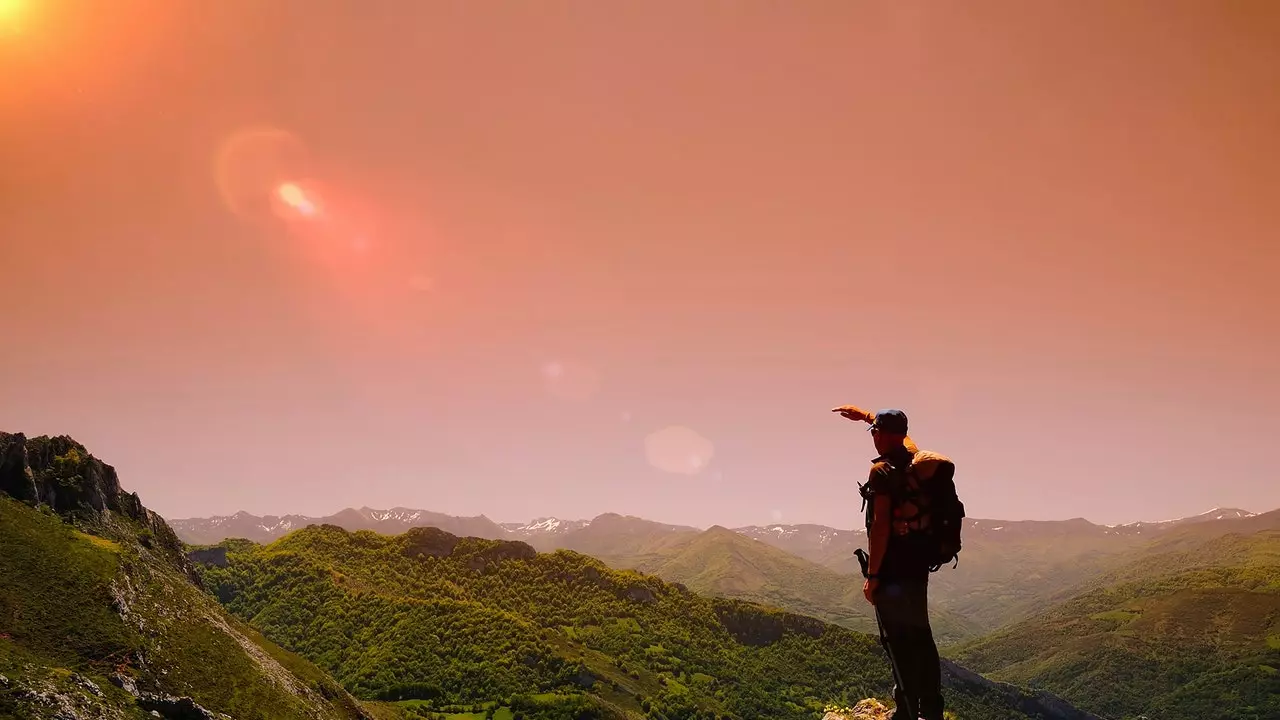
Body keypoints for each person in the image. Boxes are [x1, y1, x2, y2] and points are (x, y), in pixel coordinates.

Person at [832, 404, 950, 720]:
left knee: (897, 641)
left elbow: (880, 526)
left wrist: (873, 575)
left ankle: (907, 710)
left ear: (880, 436)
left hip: (893, 568)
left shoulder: (881, 471)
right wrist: (868, 415)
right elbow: (906, 440)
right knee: (921, 635)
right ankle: (932, 709)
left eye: (875, 431)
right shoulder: (913, 461)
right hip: (918, 564)